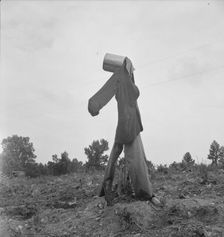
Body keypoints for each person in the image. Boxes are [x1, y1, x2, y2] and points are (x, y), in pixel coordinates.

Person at [88, 56, 160, 206]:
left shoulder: (125, 81)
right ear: (127, 67)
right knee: (136, 161)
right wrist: (94, 105)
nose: (133, 71)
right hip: (130, 126)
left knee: (113, 159)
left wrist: (94, 105)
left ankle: (104, 190)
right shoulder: (120, 78)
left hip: (124, 125)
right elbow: (105, 91)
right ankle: (145, 194)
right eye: (131, 69)